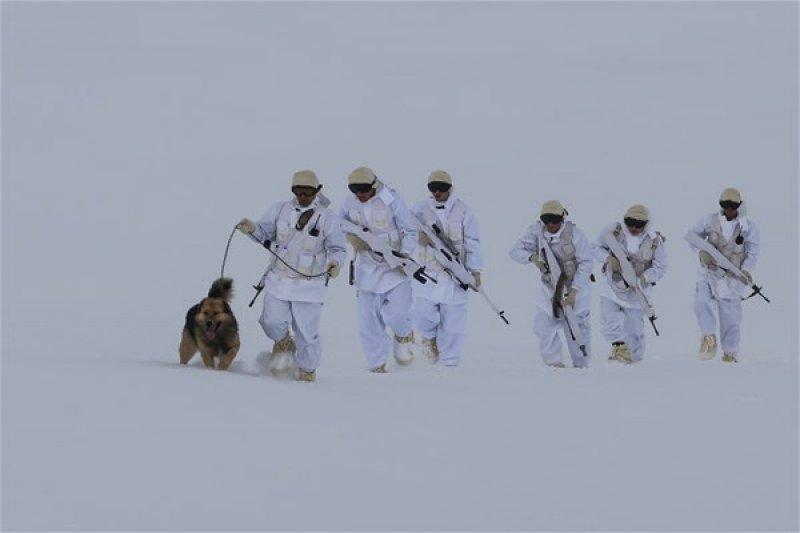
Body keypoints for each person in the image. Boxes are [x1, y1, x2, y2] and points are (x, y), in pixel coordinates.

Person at [237, 170, 346, 382]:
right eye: (298, 191)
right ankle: (284, 342)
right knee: (270, 321)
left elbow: (338, 249)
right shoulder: (279, 209)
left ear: (317, 191)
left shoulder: (328, 218)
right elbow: (263, 234)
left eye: (308, 191)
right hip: (279, 280)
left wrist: (335, 264)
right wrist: (250, 228)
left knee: (306, 333)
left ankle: (307, 370)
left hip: (310, 285)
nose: (303, 196)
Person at [339, 166, 417, 373]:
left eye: (364, 189)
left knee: (397, 315)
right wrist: (353, 239)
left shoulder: (391, 199)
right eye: (355, 190)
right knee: (368, 323)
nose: (360, 194)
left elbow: (410, 230)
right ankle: (377, 365)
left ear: (373, 185)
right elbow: (338, 225)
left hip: (395, 269)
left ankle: (404, 335)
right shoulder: (348, 202)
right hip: (366, 271)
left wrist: (404, 255)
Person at [410, 171, 483, 367]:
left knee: (453, 325)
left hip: (455, 275)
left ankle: (450, 364)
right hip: (428, 273)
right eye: (433, 188)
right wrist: (418, 238)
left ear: (449, 188)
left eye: (442, 188)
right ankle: (428, 341)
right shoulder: (418, 209)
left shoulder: (464, 211)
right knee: (423, 316)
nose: (438, 192)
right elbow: (405, 232)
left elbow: (473, 243)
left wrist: (475, 271)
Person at [509, 200, 593, 368]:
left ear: (562, 218)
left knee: (575, 327)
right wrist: (532, 258)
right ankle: (554, 364)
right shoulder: (536, 232)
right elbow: (515, 251)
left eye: (555, 220)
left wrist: (575, 290)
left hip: (574, 288)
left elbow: (586, 263)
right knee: (543, 326)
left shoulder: (576, 234)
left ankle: (581, 365)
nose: (551, 224)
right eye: (547, 220)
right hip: (549, 288)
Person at [687, 188, 760, 363]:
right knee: (701, 302)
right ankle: (708, 338)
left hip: (732, 279)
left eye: (732, 206)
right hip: (709, 271)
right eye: (725, 205)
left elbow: (753, 252)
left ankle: (730, 353)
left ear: (739, 205)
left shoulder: (749, 227)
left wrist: (746, 270)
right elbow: (692, 238)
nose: (729, 209)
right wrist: (701, 253)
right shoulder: (708, 220)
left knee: (731, 318)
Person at [593, 204, 668, 363]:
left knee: (635, 331)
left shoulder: (654, 240)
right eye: (630, 222)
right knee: (609, 320)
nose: (634, 227)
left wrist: (644, 278)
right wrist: (608, 259)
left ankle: (634, 363)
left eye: (639, 224)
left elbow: (660, 267)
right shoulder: (614, 231)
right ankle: (618, 347)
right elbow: (595, 247)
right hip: (612, 288)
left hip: (637, 292)